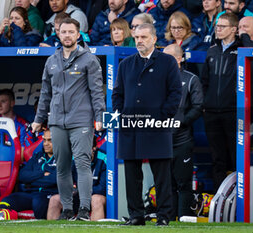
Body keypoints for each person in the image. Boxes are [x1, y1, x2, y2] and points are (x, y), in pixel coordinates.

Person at [32, 18, 105, 221]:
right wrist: (39, 119)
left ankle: (83, 209)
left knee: (82, 164)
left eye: (71, 32)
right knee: (62, 166)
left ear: (78, 34)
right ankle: (67, 209)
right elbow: (45, 93)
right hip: (56, 121)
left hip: (81, 120)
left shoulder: (89, 59)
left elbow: (97, 92)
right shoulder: (52, 60)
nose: (67, 35)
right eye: (63, 32)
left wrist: (99, 117)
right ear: (58, 34)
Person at [112, 23, 182, 226]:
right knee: (132, 175)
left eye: (143, 37)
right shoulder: (126, 64)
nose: (139, 41)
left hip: (157, 126)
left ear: (154, 38)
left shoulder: (168, 62)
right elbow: (118, 94)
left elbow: (175, 93)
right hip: (130, 127)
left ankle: (164, 216)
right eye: (136, 38)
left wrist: (162, 117)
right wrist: (122, 114)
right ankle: (136, 215)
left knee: (162, 175)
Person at [201, 12, 241, 193]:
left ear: (234, 29)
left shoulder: (241, 49)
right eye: (217, 26)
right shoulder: (212, 49)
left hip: (232, 110)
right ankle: (219, 196)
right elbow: (204, 80)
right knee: (217, 157)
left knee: (235, 155)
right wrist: (203, 104)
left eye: (223, 26)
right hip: (211, 112)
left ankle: (238, 195)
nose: (218, 29)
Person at [163, 44, 203, 219]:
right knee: (166, 183)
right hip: (161, 140)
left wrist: (181, 121)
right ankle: (168, 220)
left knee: (183, 183)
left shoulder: (191, 79)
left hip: (182, 140)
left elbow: (198, 106)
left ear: (179, 59)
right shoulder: (156, 79)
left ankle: (184, 220)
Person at [0, 129, 58, 219]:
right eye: (44, 140)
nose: (46, 144)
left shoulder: (63, 157)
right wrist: (42, 173)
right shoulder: (38, 155)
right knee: (6, 201)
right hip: (32, 193)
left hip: (49, 194)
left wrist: (31, 181)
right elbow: (22, 175)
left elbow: (54, 180)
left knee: (38, 202)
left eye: (50, 140)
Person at [47, 131, 107, 221]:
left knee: (96, 199)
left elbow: (102, 188)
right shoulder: (73, 158)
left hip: (94, 196)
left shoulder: (104, 159)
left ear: (94, 148)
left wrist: (80, 190)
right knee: (55, 199)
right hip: (78, 197)